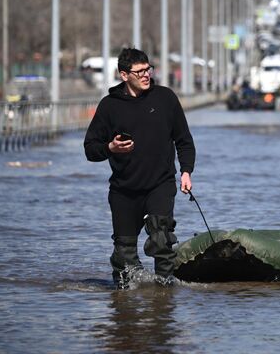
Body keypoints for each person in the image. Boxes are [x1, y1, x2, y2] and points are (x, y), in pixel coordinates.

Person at [84, 48, 196, 289]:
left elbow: (184, 140)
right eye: (140, 72)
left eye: (148, 69)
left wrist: (186, 171)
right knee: (124, 255)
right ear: (124, 75)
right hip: (124, 190)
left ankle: (165, 297)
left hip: (160, 184)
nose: (146, 75)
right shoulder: (109, 106)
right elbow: (90, 150)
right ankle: (124, 304)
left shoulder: (165, 98)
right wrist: (111, 148)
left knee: (161, 239)